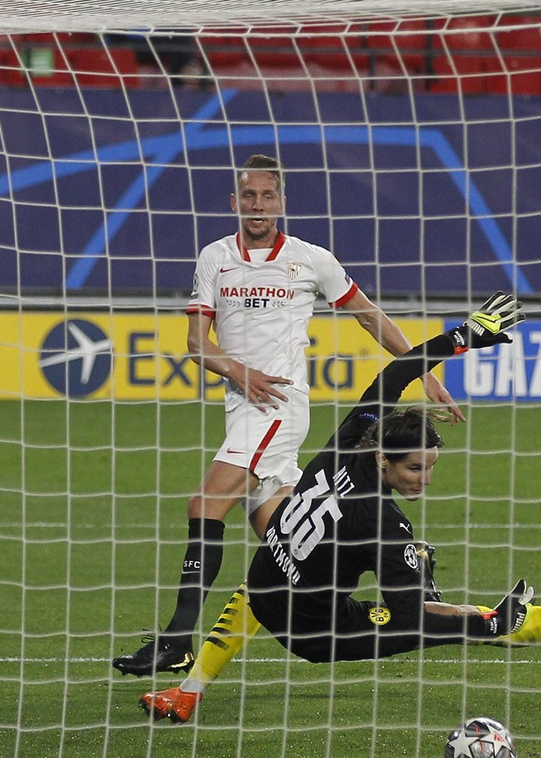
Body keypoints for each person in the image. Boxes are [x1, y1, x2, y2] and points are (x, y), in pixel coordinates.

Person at [140, 294, 541, 723]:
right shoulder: (383, 522)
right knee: (444, 619)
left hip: (265, 589)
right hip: (317, 633)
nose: (425, 480)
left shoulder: (352, 441)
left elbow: (393, 376)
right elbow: (412, 618)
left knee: (278, 571)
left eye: (431, 467)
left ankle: (189, 691)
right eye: (416, 469)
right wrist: (480, 621)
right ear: (385, 459)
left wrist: (462, 336)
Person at [113, 154, 462, 676]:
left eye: (267, 196)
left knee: (204, 504)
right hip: (242, 406)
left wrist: (423, 372)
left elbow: (369, 315)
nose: (258, 205)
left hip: (279, 405)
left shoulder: (310, 259)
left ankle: (178, 638)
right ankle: (414, 566)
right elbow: (195, 346)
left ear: (282, 202)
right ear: (235, 202)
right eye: (248, 196)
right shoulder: (215, 257)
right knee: (285, 537)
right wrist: (237, 371)